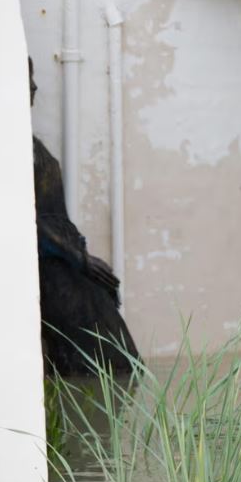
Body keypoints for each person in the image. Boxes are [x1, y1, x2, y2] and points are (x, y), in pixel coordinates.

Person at [28, 58, 140, 376]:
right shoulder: (18, 151)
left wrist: (83, 260)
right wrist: (83, 261)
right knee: (107, 358)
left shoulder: (33, 147)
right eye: (27, 78)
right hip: (57, 269)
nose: (35, 86)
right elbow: (29, 225)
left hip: (68, 262)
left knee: (117, 354)